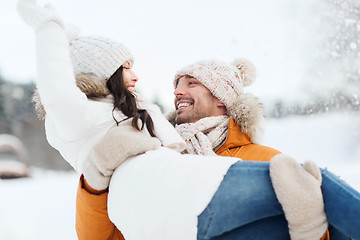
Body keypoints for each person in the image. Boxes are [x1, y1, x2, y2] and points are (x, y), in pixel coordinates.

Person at [17, 1, 360, 240]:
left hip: (203, 199)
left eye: (191, 84)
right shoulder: (138, 145)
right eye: (176, 86)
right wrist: (95, 178)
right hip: (189, 205)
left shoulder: (263, 157)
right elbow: (99, 236)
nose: (178, 93)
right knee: (311, 185)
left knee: (311, 189)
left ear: (221, 97)